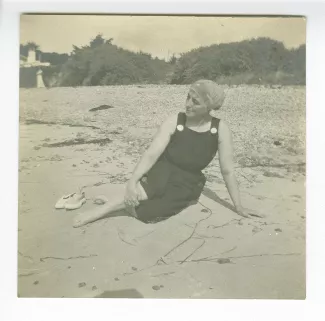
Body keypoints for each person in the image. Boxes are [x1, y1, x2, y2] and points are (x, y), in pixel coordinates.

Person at [74, 79, 251, 228]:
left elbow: (228, 171)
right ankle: (101, 210)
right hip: (163, 168)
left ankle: (122, 204)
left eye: (195, 102)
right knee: (142, 193)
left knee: (148, 215)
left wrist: (239, 206)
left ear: (209, 106)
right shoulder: (176, 120)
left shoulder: (220, 129)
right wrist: (132, 181)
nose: (188, 104)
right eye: (188, 97)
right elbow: (152, 153)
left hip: (188, 181)